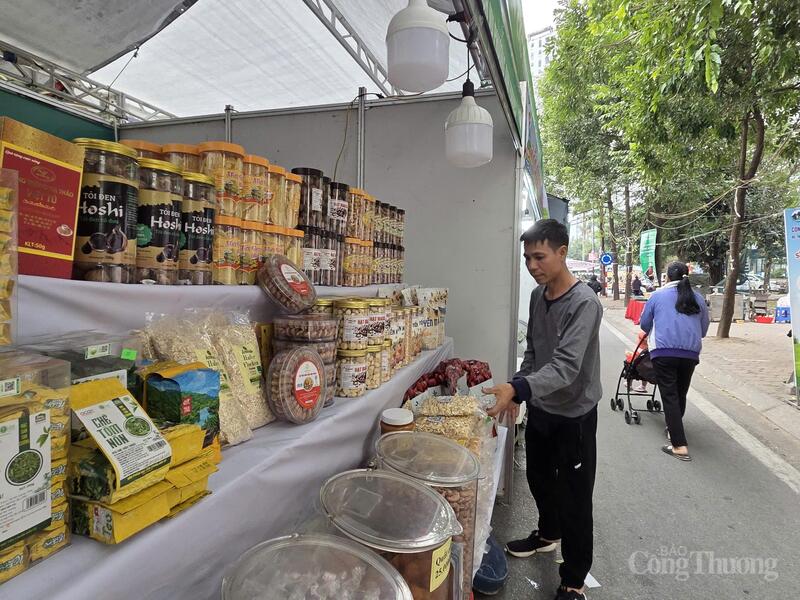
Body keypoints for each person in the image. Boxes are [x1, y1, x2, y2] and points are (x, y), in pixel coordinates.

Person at [484, 219, 602, 600]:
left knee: (576, 497)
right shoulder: (538, 296)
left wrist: (518, 388)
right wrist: (520, 390)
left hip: (575, 416)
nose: (532, 265)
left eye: (539, 256)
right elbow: (534, 354)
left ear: (562, 252)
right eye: (527, 258)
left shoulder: (584, 302)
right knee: (537, 477)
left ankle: (574, 578)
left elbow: (567, 366)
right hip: (542, 408)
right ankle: (548, 534)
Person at [639, 261, 710, 462]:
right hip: (690, 353)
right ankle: (673, 430)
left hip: (664, 351)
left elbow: (645, 324)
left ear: (667, 277)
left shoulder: (657, 296)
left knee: (669, 396)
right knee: (680, 393)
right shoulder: (697, 298)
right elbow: (703, 330)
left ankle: (679, 445)